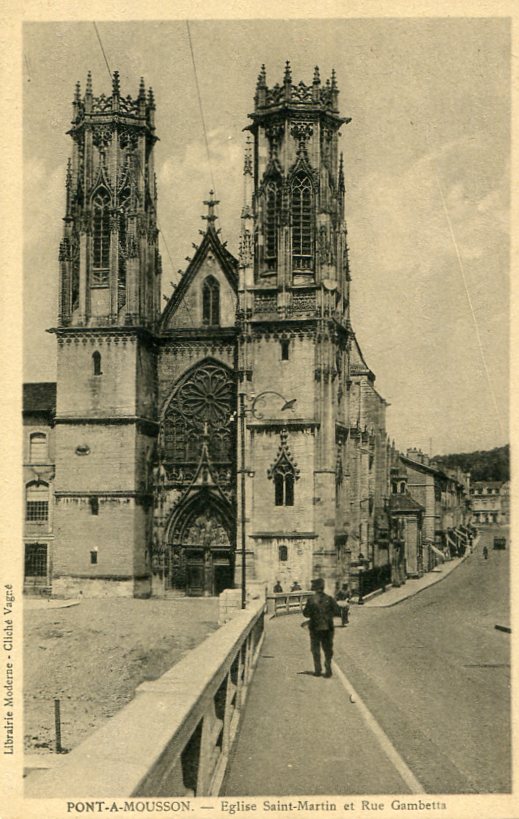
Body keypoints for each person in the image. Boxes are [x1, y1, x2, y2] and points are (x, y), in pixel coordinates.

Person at [303, 578, 341, 678]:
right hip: (328, 628)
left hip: (315, 628)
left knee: (315, 649)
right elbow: (337, 611)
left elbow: (306, 614)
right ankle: (328, 668)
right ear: (323, 587)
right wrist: (328, 614)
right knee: (328, 649)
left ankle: (318, 670)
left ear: (315, 588)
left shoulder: (311, 600)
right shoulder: (330, 598)